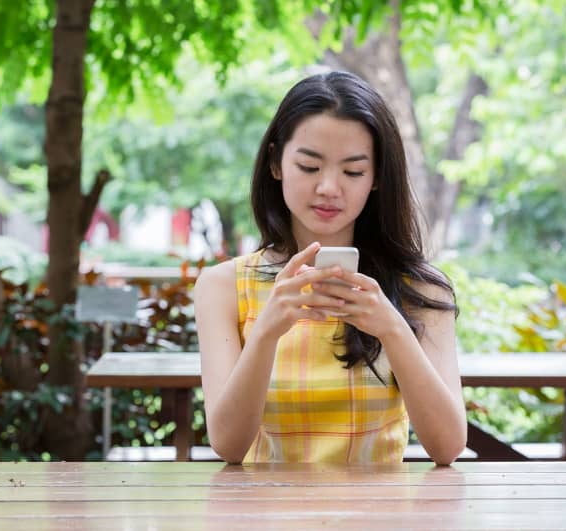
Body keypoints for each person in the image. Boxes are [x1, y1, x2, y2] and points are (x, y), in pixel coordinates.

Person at [193, 71, 466, 465]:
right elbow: (229, 445)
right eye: (309, 167)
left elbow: (447, 447)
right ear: (276, 163)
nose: (329, 188)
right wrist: (267, 330)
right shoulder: (222, 286)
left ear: (375, 178)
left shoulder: (421, 289)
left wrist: (391, 328)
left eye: (353, 171)